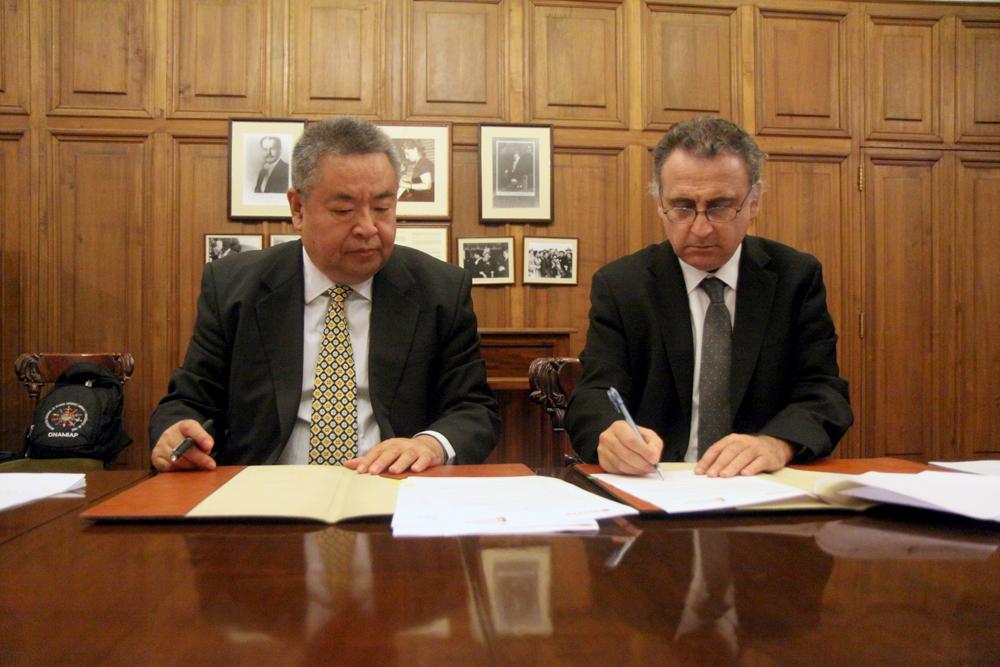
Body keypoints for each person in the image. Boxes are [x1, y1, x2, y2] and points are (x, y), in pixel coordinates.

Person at [151, 117, 500, 474]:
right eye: (344, 211)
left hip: (395, 493)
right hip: (264, 494)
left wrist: (429, 444)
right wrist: (175, 433)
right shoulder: (234, 287)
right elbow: (189, 401)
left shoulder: (439, 289)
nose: (367, 227)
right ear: (298, 210)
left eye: (383, 208)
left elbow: (473, 409)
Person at [565, 116, 852, 478]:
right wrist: (610, 436)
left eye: (720, 206)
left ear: (754, 202)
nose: (700, 229)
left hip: (761, 489)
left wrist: (776, 443)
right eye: (683, 207)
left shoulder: (795, 278)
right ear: (659, 203)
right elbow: (594, 393)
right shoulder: (622, 285)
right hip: (656, 487)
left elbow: (824, 394)